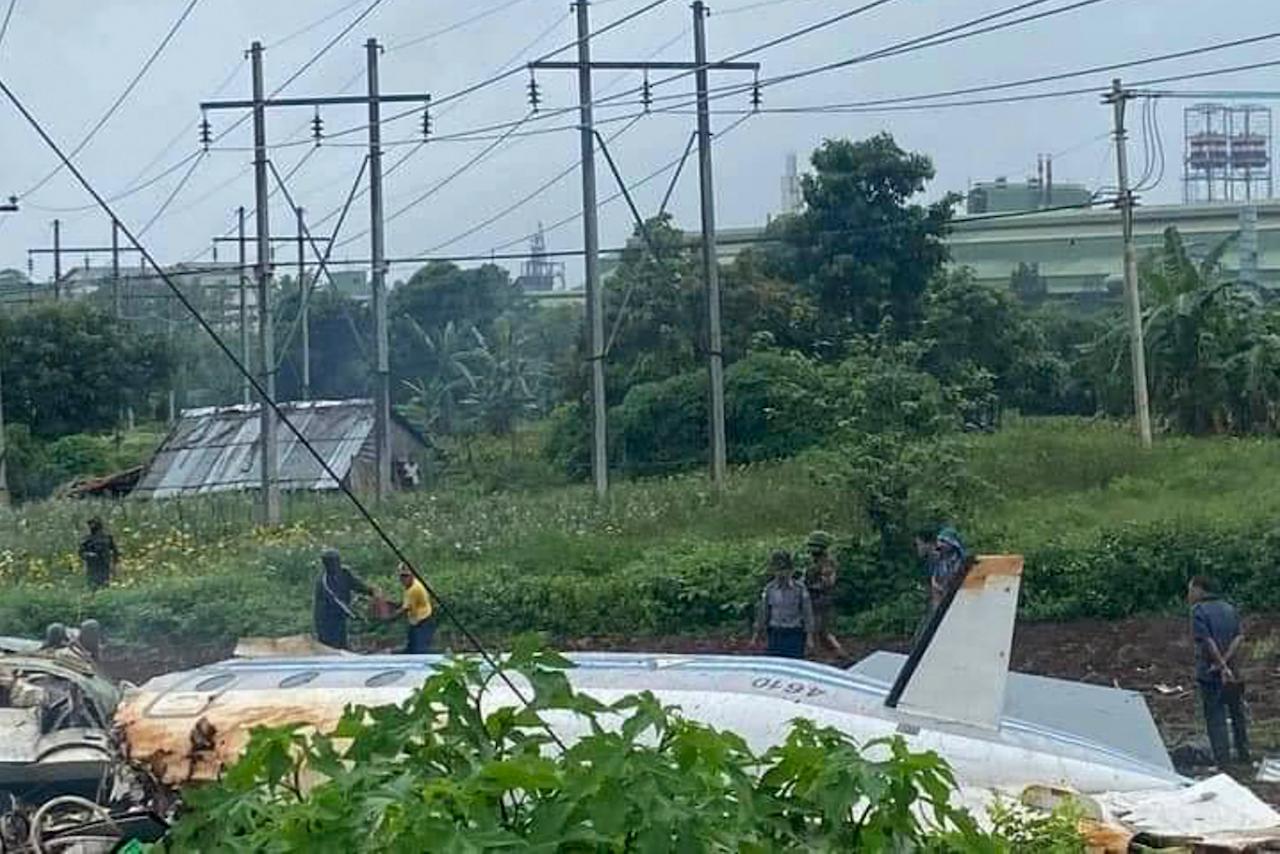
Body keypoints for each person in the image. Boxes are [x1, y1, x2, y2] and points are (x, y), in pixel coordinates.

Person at [1188, 575, 1250, 768]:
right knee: (1237, 713)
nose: (1189, 595)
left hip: (1211, 672)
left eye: (1190, 590)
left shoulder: (1198, 611)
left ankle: (1223, 763)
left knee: (1216, 717)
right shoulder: (1229, 608)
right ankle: (1244, 755)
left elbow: (1207, 641)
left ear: (1200, 589)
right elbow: (1239, 637)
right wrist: (1227, 663)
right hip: (1233, 671)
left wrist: (1220, 665)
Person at [752, 550, 815, 659]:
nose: (781, 573)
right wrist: (756, 635)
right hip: (775, 633)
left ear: (791, 570)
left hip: (794, 633)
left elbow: (807, 613)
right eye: (777, 570)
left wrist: (810, 637)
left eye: (784, 569)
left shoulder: (799, 589)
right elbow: (763, 612)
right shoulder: (769, 589)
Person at [312, 548, 374, 651]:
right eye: (330, 562)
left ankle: (343, 652)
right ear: (325, 564)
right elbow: (336, 601)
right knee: (330, 646)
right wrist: (354, 615)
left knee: (341, 641)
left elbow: (356, 585)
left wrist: (370, 591)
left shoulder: (344, 573)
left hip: (339, 617)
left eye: (336, 561)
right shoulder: (324, 581)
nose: (334, 565)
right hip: (326, 619)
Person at [803, 531, 846, 657]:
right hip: (815, 600)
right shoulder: (815, 562)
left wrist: (810, 586)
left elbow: (828, 583)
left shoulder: (826, 563)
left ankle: (838, 654)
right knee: (818, 631)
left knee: (820, 631)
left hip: (820, 600)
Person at [385, 563, 436, 654]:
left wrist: (389, 618)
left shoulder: (414, 589)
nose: (404, 579)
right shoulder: (409, 588)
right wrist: (389, 603)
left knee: (420, 651)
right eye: (402, 576)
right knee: (411, 649)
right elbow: (406, 604)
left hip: (423, 622)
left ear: (412, 576)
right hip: (416, 623)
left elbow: (404, 609)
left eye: (406, 576)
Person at [915, 525, 967, 611]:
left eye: (944, 541)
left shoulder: (959, 560)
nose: (941, 544)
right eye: (940, 541)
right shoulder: (937, 562)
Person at [79, 518, 119, 590]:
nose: (92, 526)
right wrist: (89, 555)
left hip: (104, 564)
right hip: (93, 565)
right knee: (93, 584)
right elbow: (81, 552)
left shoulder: (107, 538)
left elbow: (115, 551)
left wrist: (114, 564)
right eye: (90, 525)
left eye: (93, 524)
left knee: (104, 584)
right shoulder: (87, 539)